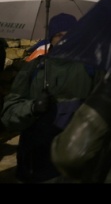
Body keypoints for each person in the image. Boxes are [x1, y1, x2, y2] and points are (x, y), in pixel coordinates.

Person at [1, 13, 100, 183]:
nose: (64, 39)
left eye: (69, 34)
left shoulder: (91, 68)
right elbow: (8, 113)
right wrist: (32, 107)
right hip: (37, 163)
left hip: (77, 161)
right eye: (59, 34)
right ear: (51, 38)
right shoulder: (33, 69)